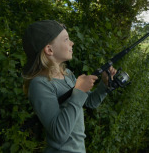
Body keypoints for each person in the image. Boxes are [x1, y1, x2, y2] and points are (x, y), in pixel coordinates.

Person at [22, 20, 116, 153]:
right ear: (49, 49)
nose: (72, 43)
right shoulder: (39, 84)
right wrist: (78, 91)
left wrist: (104, 84)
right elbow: (59, 133)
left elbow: (90, 102)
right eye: (66, 39)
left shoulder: (67, 75)